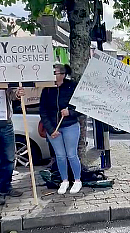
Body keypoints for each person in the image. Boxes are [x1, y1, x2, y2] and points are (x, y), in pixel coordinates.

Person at [40, 64, 82, 194]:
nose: (53, 75)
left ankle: (77, 180)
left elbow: (81, 106)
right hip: (53, 128)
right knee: (60, 156)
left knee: (71, 154)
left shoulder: (72, 86)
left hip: (70, 126)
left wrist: (70, 113)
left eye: (55, 72)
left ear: (63, 74)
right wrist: (50, 129)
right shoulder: (47, 89)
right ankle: (64, 181)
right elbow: (43, 111)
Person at [0, 87, 25, 205]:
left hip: (6, 124)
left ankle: (6, 186)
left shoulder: (2, 73)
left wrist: (17, 94)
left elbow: (11, 93)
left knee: (9, 158)